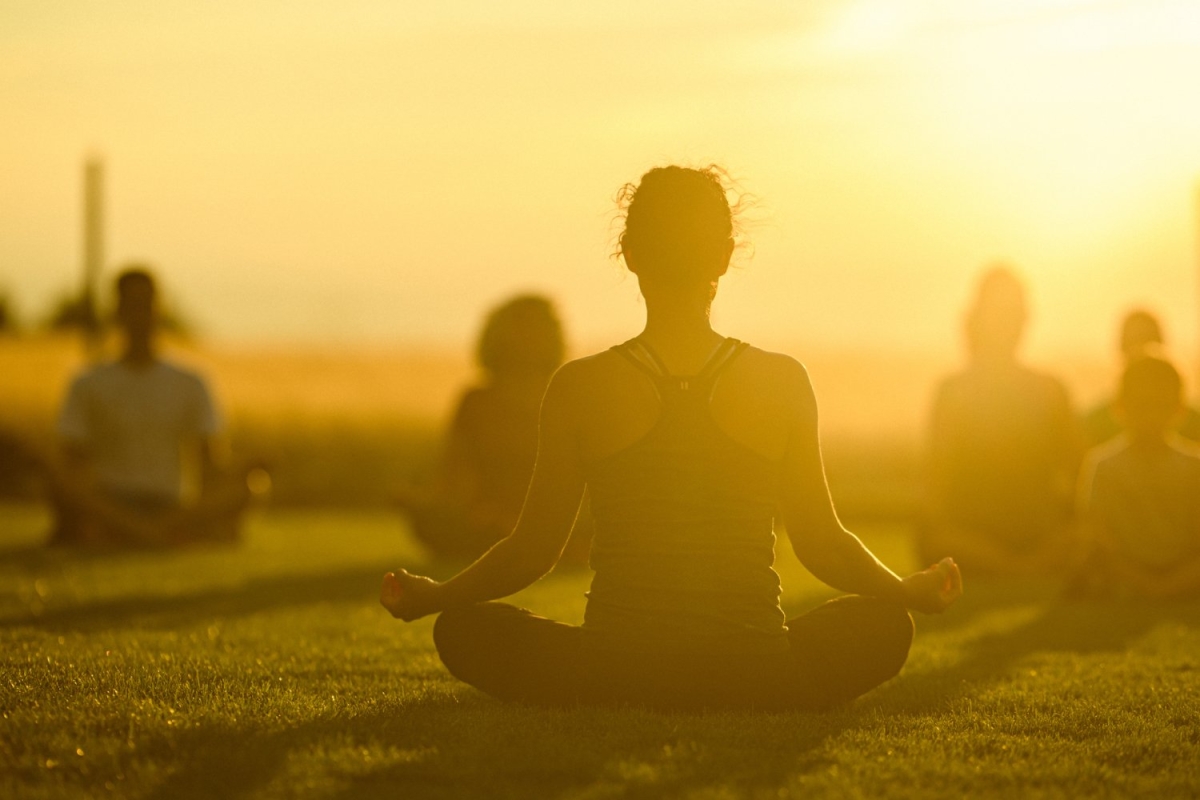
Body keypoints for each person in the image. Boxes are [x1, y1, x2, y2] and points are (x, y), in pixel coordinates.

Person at [380, 165, 961, 712]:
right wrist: (902, 591)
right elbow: (823, 543)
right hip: (753, 669)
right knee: (885, 625)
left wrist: (438, 598)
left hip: (614, 670)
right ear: (725, 256)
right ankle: (747, 688)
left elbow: (532, 549)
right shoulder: (782, 380)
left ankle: (632, 685)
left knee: (461, 628)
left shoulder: (580, 386)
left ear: (630, 255)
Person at [48, 266, 257, 547]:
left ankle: (133, 532)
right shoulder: (88, 383)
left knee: (251, 487)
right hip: (111, 500)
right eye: (133, 305)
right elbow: (72, 466)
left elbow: (212, 463)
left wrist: (246, 468)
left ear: (159, 310)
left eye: (146, 305)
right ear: (118, 311)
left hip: (170, 502)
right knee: (60, 485)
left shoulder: (191, 381)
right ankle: (161, 532)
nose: (141, 315)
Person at [396, 295, 589, 563]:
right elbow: (456, 471)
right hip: (486, 517)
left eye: (541, 326)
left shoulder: (568, 397)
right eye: (525, 325)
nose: (532, 335)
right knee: (436, 520)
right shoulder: (476, 402)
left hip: (551, 517)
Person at [917, 266, 1080, 577]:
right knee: (943, 543)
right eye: (1000, 313)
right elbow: (937, 476)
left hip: (1038, 530)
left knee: (1080, 540)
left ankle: (1011, 568)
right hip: (971, 531)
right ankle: (1021, 568)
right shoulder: (953, 392)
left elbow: (1077, 470)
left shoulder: (1050, 389)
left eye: (1013, 313)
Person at [1072, 351, 1200, 599]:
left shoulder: (1195, 466)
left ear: (1179, 410)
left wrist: (1171, 584)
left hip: (1186, 571)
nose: (1151, 416)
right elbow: (1099, 539)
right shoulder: (1104, 465)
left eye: (1161, 406)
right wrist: (1145, 582)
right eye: (1142, 405)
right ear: (1120, 407)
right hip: (1123, 572)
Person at [1081, 309, 1200, 448]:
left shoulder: (1195, 423)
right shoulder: (1093, 423)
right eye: (1133, 342)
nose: (1143, 350)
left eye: (1148, 340)